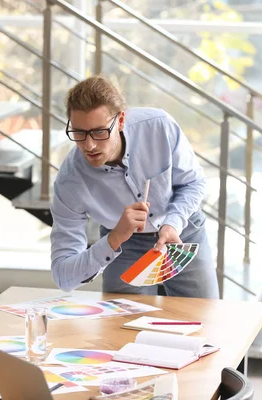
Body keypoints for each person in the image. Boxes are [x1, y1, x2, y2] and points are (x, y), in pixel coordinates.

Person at [50, 76, 219, 298]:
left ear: (120, 121)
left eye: (99, 132)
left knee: (203, 319)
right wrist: (114, 238)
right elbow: (63, 276)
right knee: (120, 325)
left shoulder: (159, 126)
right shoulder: (70, 182)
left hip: (182, 230)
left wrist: (173, 223)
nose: (89, 145)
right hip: (122, 244)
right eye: (79, 133)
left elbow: (194, 182)